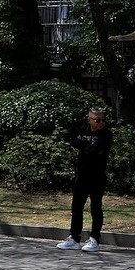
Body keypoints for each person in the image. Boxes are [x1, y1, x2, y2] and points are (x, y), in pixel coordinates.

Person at [56, 107, 113, 253]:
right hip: (81, 175)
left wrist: (85, 146)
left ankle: (94, 238)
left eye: (103, 120)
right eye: (97, 120)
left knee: (95, 208)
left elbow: (95, 149)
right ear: (89, 120)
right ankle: (74, 238)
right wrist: (85, 146)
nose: (101, 123)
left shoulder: (106, 135)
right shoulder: (83, 130)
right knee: (76, 207)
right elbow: (73, 141)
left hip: (97, 176)